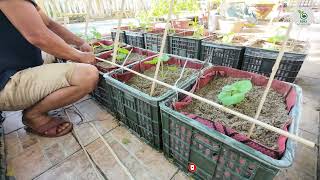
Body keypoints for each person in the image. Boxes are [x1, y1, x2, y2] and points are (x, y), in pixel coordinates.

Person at [0, 0, 99, 137]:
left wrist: (80, 43)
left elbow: (49, 24)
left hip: (10, 67)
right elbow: (38, 36)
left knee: (56, 52)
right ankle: (34, 115)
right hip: (5, 83)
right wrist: (80, 57)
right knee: (88, 75)